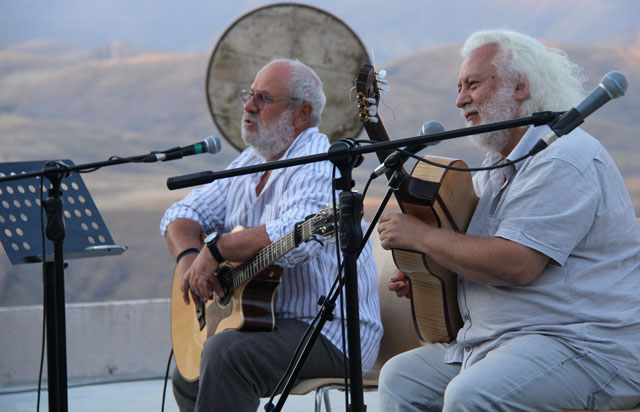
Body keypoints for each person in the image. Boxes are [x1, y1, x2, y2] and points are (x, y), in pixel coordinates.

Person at [377, 30, 640, 411]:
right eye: (458, 87)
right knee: (401, 380)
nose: (460, 100)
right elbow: (475, 255)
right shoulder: (498, 166)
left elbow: (517, 265)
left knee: (472, 395)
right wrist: (429, 277)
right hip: (496, 341)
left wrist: (421, 237)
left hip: (584, 346)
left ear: (520, 87)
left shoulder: (564, 157)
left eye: (473, 85)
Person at [160, 58, 382, 412]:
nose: (248, 106)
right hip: (268, 323)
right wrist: (190, 261)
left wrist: (218, 249)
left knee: (225, 356)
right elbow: (181, 214)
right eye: (250, 95)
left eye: (263, 98)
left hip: (330, 330)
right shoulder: (251, 161)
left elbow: (298, 238)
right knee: (188, 369)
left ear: (301, 113)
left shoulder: (317, 162)